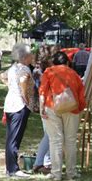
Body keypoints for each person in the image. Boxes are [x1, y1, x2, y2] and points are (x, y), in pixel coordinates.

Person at [39, 52, 86, 181]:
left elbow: (42, 91)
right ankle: (71, 172)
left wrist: (42, 107)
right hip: (72, 108)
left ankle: (56, 173)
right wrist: (80, 108)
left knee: (55, 141)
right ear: (67, 62)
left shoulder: (48, 72)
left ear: (53, 62)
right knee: (70, 141)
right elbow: (81, 94)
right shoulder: (74, 74)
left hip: (52, 106)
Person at [3, 43, 36, 178]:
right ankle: (13, 169)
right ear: (26, 56)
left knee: (11, 137)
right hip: (19, 105)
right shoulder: (24, 69)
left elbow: (2, 76)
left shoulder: (13, 68)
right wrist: (26, 98)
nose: (33, 57)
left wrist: (11, 87)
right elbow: (23, 82)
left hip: (10, 103)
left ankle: (9, 167)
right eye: (31, 54)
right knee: (15, 138)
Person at [32, 45, 53, 174]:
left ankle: (41, 162)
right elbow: (43, 91)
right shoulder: (44, 72)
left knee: (48, 134)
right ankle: (43, 162)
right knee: (49, 135)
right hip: (45, 105)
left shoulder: (37, 70)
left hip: (42, 105)